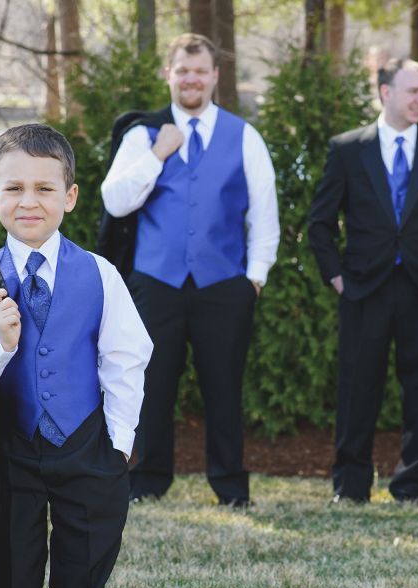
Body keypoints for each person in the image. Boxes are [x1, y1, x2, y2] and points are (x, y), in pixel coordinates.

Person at [0, 123, 153, 588]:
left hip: (86, 447)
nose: (29, 201)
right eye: (14, 188)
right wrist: (2, 343)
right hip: (8, 452)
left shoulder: (99, 273)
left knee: (82, 581)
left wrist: (118, 442)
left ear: (70, 196)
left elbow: (125, 356)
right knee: (9, 581)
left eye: (45, 188)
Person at [101, 33, 280, 507]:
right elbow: (115, 200)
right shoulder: (143, 135)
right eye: (183, 71)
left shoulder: (244, 136)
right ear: (169, 74)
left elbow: (264, 212)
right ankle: (149, 480)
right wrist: (157, 155)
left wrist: (255, 277)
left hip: (223, 284)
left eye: (200, 71)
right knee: (152, 385)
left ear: (215, 76)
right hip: (155, 282)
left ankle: (230, 485)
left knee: (224, 387)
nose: (191, 80)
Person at [308, 58, 418, 504]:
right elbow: (320, 223)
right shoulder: (348, 149)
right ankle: (351, 487)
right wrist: (336, 277)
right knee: (356, 389)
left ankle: (413, 487)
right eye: (413, 91)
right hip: (364, 288)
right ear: (386, 92)